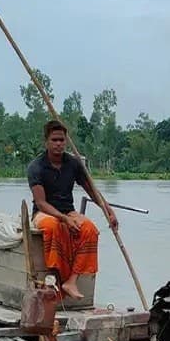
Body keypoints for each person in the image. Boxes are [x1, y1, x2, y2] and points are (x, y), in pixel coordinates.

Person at [26, 119, 118, 299]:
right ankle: (57, 278)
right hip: (44, 213)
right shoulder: (36, 167)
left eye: (61, 140)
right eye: (54, 140)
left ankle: (71, 281)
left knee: (90, 230)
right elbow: (41, 202)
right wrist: (64, 219)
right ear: (46, 142)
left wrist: (108, 211)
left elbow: (92, 190)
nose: (58, 144)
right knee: (54, 226)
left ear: (66, 141)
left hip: (68, 210)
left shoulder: (73, 164)